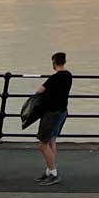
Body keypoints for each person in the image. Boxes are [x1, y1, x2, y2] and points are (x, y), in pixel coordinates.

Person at [32, 52, 72, 185]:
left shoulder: (54, 78)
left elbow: (39, 91)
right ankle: (50, 170)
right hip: (62, 111)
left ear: (54, 62)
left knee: (43, 144)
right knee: (51, 141)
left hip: (52, 113)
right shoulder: (68, 76)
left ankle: (53, 173)